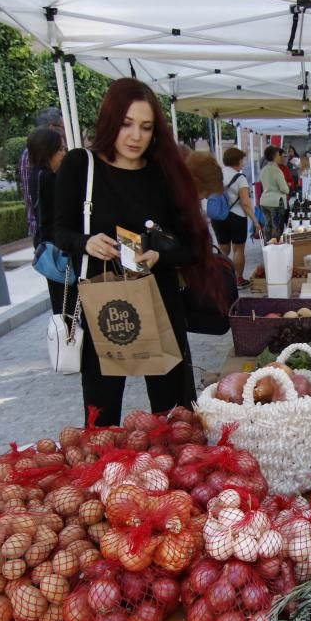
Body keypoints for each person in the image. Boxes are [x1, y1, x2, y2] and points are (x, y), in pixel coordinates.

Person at [52, 78, 224, 422]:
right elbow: (55, 229)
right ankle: (107, 472)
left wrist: (161, 255)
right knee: (102, 414)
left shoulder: (164, 173)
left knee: (174, 413)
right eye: (126, 124)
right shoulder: (81, 166)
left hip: (159, 298)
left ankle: (175, 471)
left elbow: (193, 245)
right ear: (110, 121)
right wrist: (84, 242)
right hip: (103, 300)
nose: (135, 136)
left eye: (146, 127)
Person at [27, 127, 68, 315]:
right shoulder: (48, 178)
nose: (63, 154)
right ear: (48, 151)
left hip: (47, 243)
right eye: (60, 150)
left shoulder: (36, 174)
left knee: (60, 299)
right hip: (56, 246)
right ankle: (68, 339)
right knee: (65, 300)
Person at [19, 108, 66, 241]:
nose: (63, 153)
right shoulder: (45, 175)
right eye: (60, 149)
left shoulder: (39, 169)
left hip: (43, 231)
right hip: (49, 235)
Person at [216, 147, 261, 283]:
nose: (244, 162)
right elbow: (246, 203)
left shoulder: (217, 175)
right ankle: (238, 279)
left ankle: (223, 279)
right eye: (243, 160)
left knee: (223, 249)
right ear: (237, 160)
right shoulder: (240, 178)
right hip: (237, 216)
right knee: (238, 250)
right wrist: (255, 221)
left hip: (218, 216)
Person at [259, 146, 291, 240]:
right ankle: (275, 249)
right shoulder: (277, 171)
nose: (280, 157)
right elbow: (285, 189)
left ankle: (267, 247)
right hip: (277, 203)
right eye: (278, 155)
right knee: (277, 228)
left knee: (268, 225)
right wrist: (287, 186)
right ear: (274, 156)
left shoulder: (263, 170)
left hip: (264, 201)